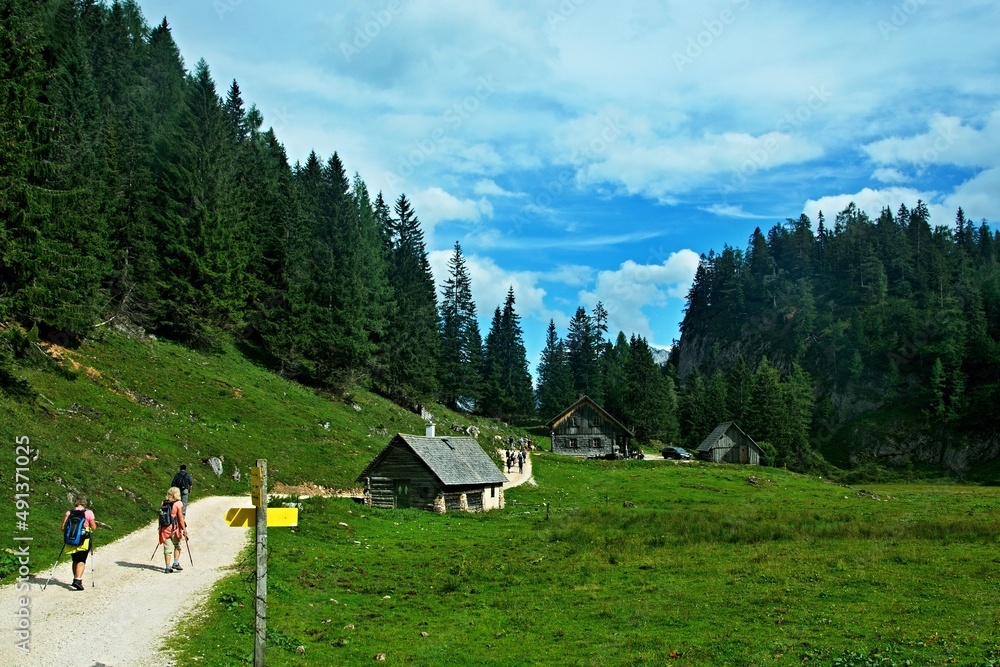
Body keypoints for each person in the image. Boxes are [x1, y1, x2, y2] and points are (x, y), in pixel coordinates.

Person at [61, 496, 96, 591]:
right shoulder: (88, 513)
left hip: (71, 540)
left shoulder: (69, 513)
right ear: (84, 503)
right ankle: (78, 580)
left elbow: (63, 528)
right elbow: (93, 527)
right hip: (83, 541)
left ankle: (75, 579)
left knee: (75, 560)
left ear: (75, 503)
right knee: (81, 560)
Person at [159, 487, 189, 574]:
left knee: (167, 548)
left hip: (164, 529)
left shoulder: (163, 503)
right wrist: (184, 529)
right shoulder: (178, 503)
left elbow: (160, 516)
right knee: (177, 545)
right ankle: (175, 563)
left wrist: (160, 528)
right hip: (174, 528)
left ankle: (167, 567)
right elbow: (180, 517)